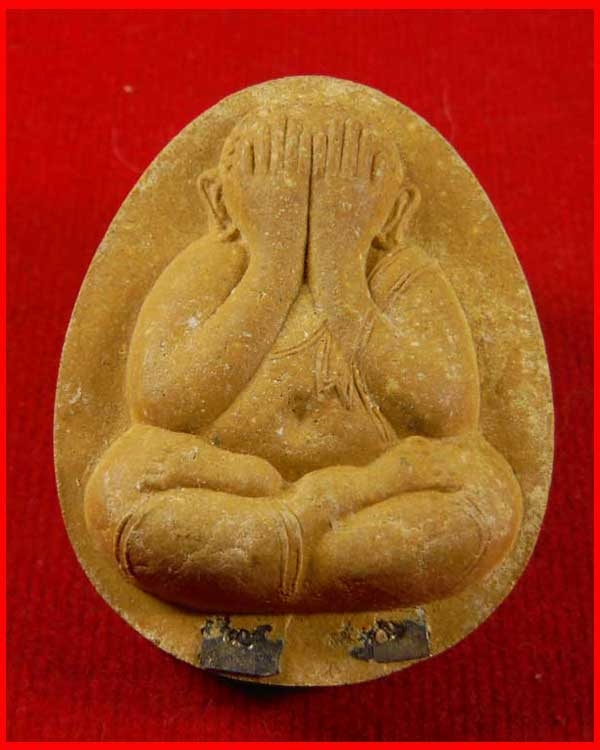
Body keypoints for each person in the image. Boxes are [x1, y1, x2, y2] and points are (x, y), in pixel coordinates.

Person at [84, 111, 522, 613]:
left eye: (336, 198)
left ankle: (278, 562)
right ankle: (324, 560)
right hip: (235, 493)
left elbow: (448, 415)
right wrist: (274, 267)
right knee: (117, 487)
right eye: (284, 195)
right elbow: (160, 405)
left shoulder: (402, 276)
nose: (309, 217)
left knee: (487, 494)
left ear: (397, 212)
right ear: (220, 201)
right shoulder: (213, 266)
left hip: (369, 497)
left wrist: (340, 277)